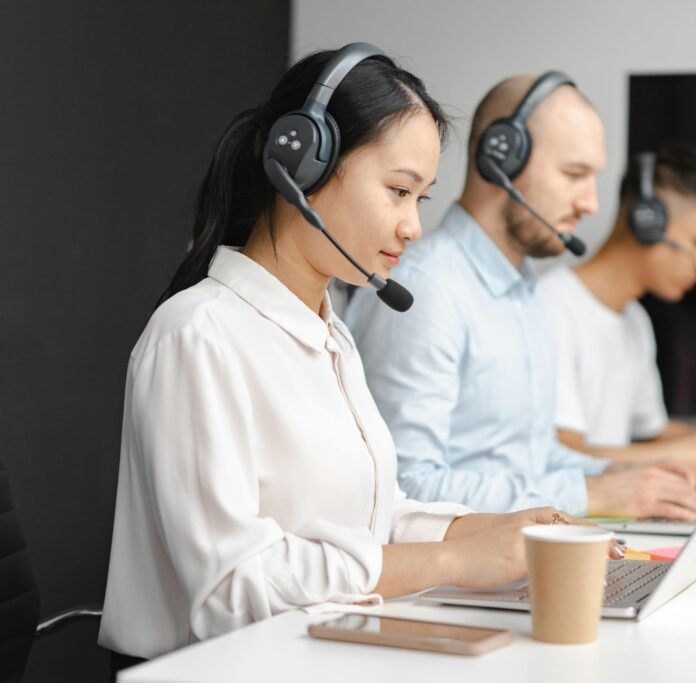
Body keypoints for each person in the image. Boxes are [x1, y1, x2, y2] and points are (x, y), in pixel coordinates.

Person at [98, 46, 602, 662]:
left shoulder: (331, 334)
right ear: (300, 166)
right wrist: (449, 559)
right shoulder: (198, 335)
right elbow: (233, 588)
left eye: (420, 198)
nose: (414, 225)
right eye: (398, 190)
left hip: (319, 657)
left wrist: (490, 530)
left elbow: (369, 516)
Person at [345, 73, 696, 521]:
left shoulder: (525, 292)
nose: (591, 203)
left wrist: (627, 475)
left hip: (518, 563)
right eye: (574, 174)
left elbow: (532, 460)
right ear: (503, 156)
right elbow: (405, 485)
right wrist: (593, 496)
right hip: (443, 583)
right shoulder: (428, 291)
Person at [538, 145, 696, 470]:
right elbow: (568, 457)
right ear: (646, 220)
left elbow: (654, 433)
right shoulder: (551, 307)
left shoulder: (635, 320)